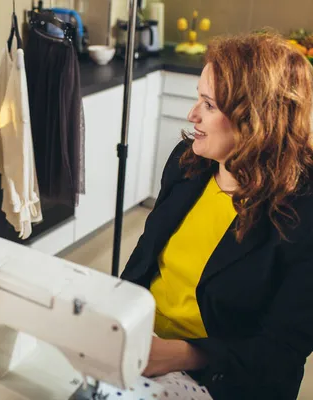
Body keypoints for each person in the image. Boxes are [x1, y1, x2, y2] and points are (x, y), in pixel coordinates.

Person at [122, 33, 313, 399]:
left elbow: (280, 354)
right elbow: (145, 256)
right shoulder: (188, 163)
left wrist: (177, 354)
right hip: (144, 346)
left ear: (256, 119)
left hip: (224, 379)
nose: (192, 114)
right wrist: (114, 316)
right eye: (198, 98)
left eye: (208, 105)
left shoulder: (303, 212)